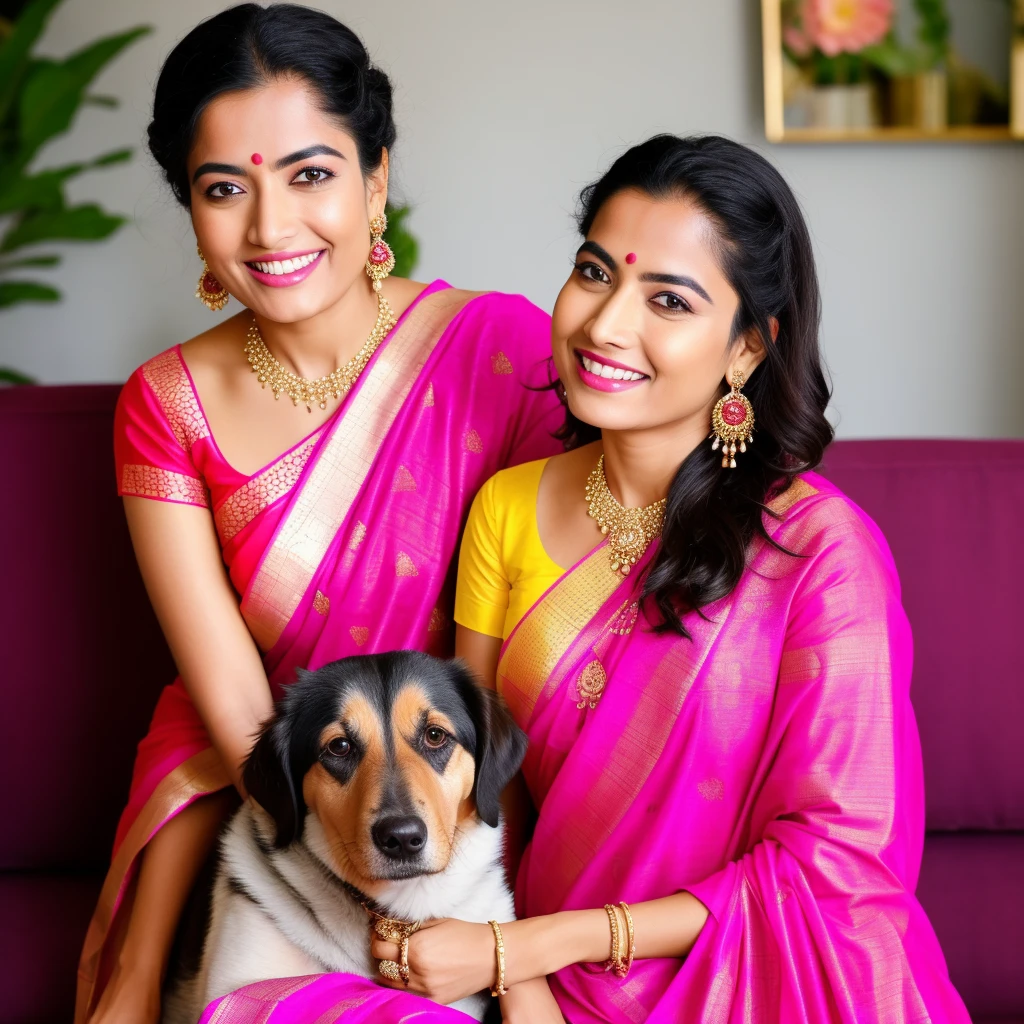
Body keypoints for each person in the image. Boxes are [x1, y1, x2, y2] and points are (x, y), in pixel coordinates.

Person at [204, 135, 971, 1022]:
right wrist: (516, 978)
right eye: (595, 273)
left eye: (668, 300)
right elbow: (487, 795)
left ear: (747, 352)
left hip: (760, 977)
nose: (604, 326)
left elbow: (835, 861)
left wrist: (527, 948)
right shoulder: (506, 509)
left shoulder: (821, 553)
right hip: (548, 981)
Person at [78, 6, 562, 1023]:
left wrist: (486, 908)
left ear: (375, 180)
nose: (269, 227)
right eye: (224, 189)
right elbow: (233, 702)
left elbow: (542, 648)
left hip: (475, 771)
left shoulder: (499, 353)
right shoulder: (166, 404)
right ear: (192, 210)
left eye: (309, 174)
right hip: (281, 765)